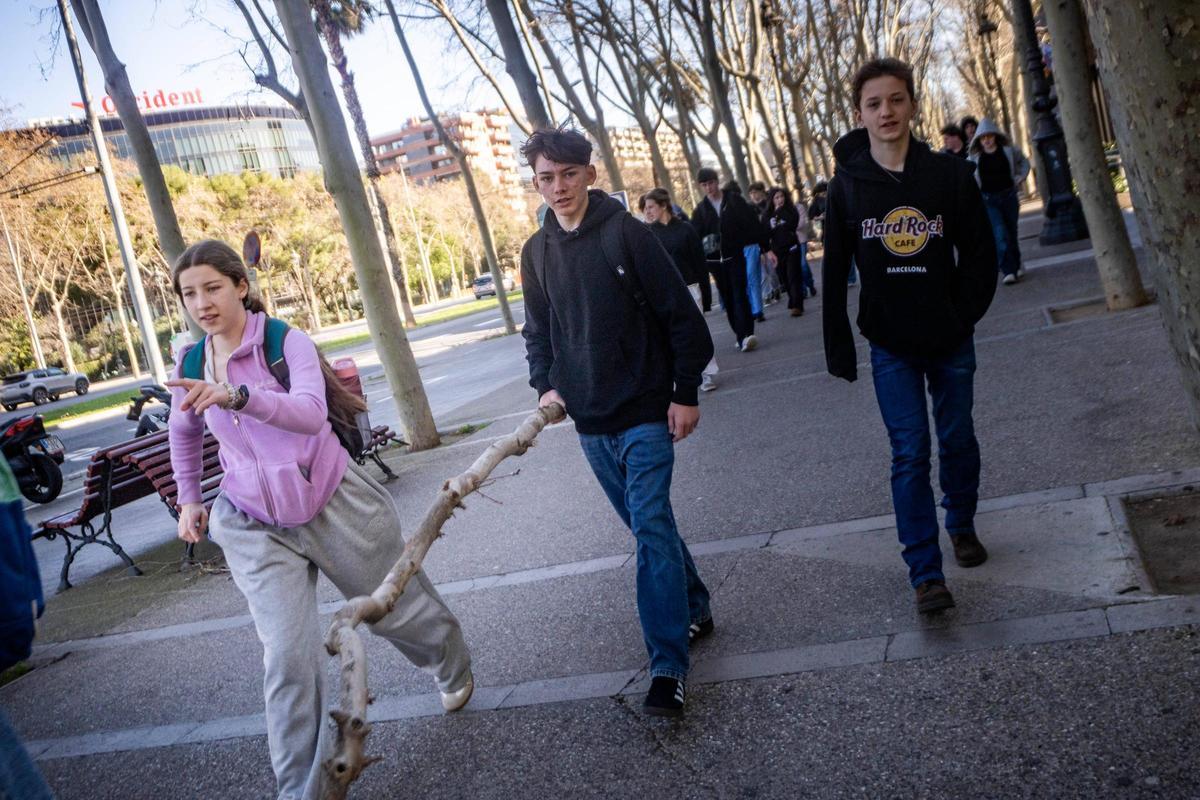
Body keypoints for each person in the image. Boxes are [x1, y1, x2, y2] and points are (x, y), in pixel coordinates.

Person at [167, 240, 473, 800]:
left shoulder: (286, 342)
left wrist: (239, 396)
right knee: (287, 656)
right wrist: (190, 499)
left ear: (240, 285)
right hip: (253, 520)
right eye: (189, 293)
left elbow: (309, 415)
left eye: (212, 287)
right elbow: (182, 433)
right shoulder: (190, 362)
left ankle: (449, 664)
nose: (202, 302)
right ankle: (298, 791)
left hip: (331, 499)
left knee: (395, 610)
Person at [520, 128, 716, 718]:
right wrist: (545, 384)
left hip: (647, 412)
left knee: (650, 526)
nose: (558, 188)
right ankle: (697, 605)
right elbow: (538, 332)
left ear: (590, 173)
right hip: (590, 421)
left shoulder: (628, 234)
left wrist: (684, 394)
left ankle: (667, 667)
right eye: (546, 178)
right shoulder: (536, 252)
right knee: (646, 525)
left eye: (568, 174)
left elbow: (685, 320)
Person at [822, 58, 998, 615]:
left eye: (896, 100)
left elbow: (979, 254)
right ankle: (925, 573)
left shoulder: (948, 174)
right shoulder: (846, 188)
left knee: (958, 438)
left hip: (949, 336)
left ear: (913, 105)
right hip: (890, 342)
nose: (886, 112)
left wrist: (962, 315)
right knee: (908, 453)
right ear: (859, 113)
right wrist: (840, 346)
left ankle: (962, 523)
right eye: (874, 103)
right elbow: (832, 273)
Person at [641, 187, 719, 392]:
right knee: (672, 336)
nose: (647, 211)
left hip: (691, 287)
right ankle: (681, 378)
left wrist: (707, 294)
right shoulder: (648, 234)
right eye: (645, 208)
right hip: (664, 293)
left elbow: (700, 263)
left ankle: (707, 374)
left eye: (650, 207)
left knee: (698, 332)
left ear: (663, 205)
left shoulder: (686, 229)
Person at [691, 167, 767, 351]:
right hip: (715, 263)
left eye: (710, 183)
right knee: (728, 299)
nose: (708, 187)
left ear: (717, 182)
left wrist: (766, 248)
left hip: (735, 256)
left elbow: (752, 224)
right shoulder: (701, 210)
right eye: (704, 185)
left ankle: (745, 335)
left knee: (740, 294)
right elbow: (695, 236)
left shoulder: (734, 201)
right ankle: (741, 333)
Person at [969, 117, 1031, 285]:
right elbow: (967, 176)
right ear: (979, 141)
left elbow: (1025, 163)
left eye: (989, 136)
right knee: (1000, 234)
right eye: (983, 138)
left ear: (995, 136)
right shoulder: (974, 158)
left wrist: (1020, 178)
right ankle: (1008, 270)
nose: (987, 140)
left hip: (1009, 197)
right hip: (989, 200)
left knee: (1012, 233)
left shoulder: (1008, 150)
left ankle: (1016, 265)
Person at [762, 186, 804, 317]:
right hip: (777, 251)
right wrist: (767, 251)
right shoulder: (767, 215)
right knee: (784, 278)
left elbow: (794, 224)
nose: (780, 200)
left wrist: (780, 212)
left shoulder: (790, 210)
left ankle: (797, 305)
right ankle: (793, 300)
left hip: (792, 247)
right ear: (772, 200)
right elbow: (764, 234)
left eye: (782, 196)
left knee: (793, 275)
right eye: (777, 198)